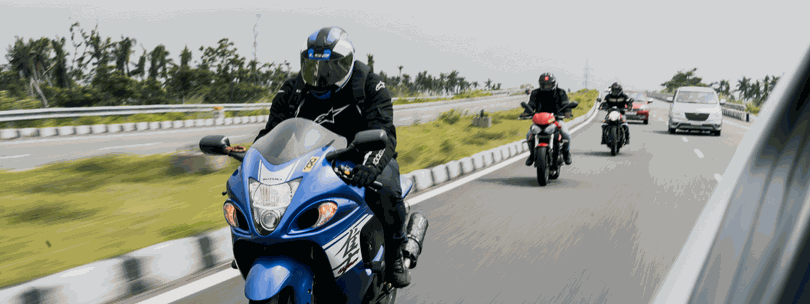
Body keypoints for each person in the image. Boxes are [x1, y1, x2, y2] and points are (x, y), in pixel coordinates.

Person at [232, 26, 411, 288]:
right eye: (313, 68)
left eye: (329, 68)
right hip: (311, 161)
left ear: (346, 64)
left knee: (386, 188)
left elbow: (383, 130)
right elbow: (272, 132)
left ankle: (395, 253)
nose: (319, 77)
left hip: (363, 156)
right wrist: (253, 158)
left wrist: (370, 166)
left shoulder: (369, 85)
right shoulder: (292, 90)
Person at [522, 72, 573, 166]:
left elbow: (565, 103)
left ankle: (566, 153)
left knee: (565, 133)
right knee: (529, 135)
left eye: (549, 84)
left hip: (556, 119)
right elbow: (531, 104)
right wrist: (526, 112)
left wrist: (567, 112)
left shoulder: (560, 92)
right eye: (543, 84)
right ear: (540, 84)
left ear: (553, 84)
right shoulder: (535, 93)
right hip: (540, 121)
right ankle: (532, 154)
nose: (546, 86)